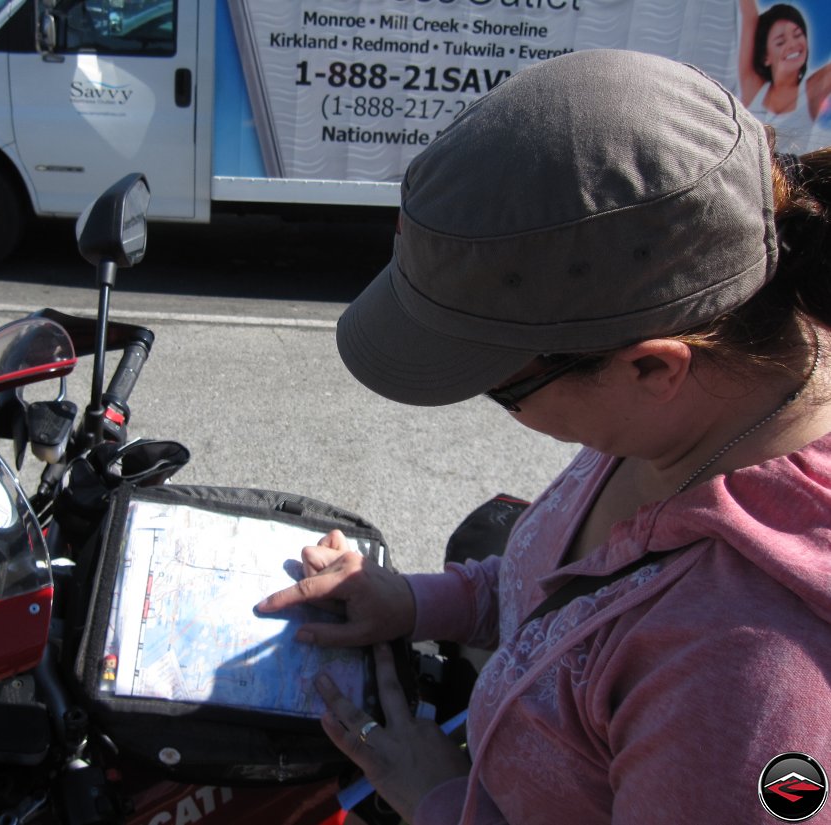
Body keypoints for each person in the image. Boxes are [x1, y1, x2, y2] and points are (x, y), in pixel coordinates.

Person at [256, 49, 831, 824]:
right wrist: (415, 603)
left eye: (501, 385)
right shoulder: (700, 404)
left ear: (653, 366)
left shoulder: (747, 680)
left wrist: (439, 796)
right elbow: (555, 587)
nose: (493, 404)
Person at [737, 0, 831, 151]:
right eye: (780, 42)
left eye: (798, 35)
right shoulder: (753, 88)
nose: (792, 44)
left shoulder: (810, 92)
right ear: (765, 57)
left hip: (789, 173)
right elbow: (749, 18)